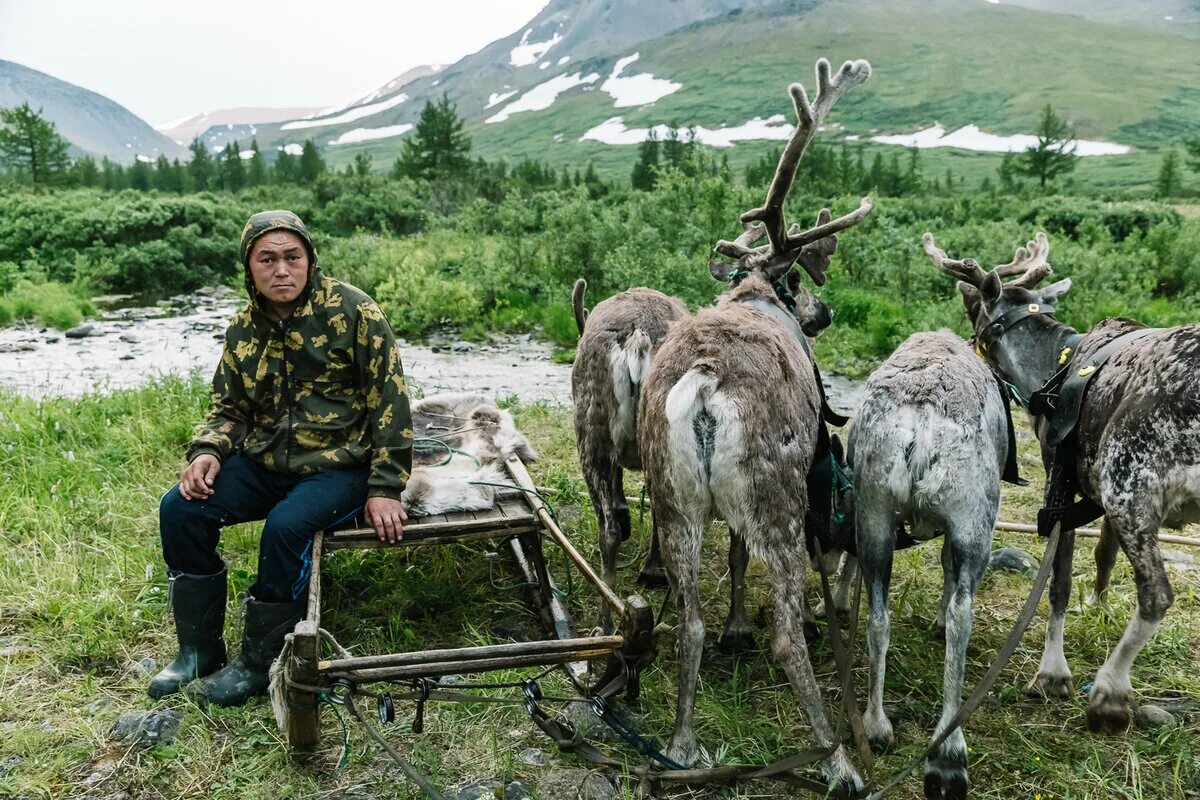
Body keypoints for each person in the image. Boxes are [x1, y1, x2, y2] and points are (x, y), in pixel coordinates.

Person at [149, 210, 413, 706]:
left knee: (286, 528)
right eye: (266, 259)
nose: (281, 270)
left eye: (293, 257)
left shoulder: (355, 312)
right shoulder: (242, 329)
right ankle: (199, 652)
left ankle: (259, 661)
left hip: (340, 466)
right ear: (249, 268)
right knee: (180, 508)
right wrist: (208, 451)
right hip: (267, 461)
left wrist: (385, 488)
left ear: (310, 260)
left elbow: (390, 402)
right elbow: (229, 409)